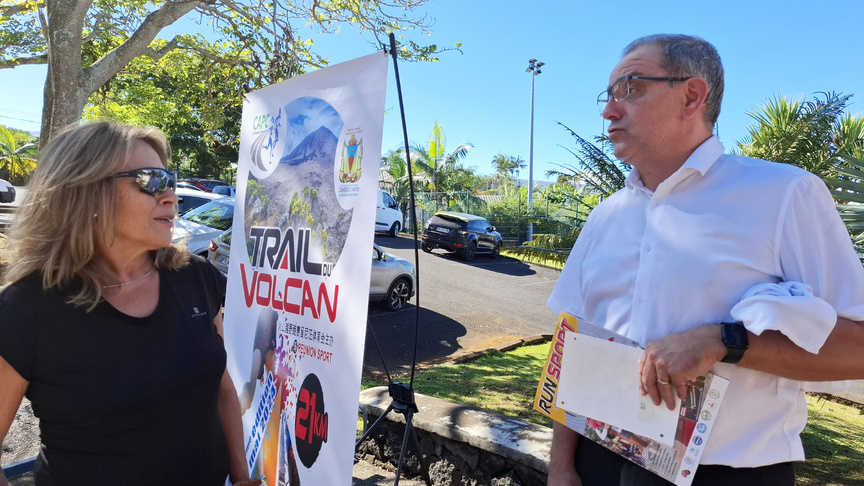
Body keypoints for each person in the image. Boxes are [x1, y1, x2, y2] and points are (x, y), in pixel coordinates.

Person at [546, 34, 864, 485]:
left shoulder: (784, 194)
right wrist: (561, 466)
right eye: (609, 94)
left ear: (693, 95)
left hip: (728, 474)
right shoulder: (605, 215)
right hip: (598, 461)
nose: (609, 111)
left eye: (630, 88)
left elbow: (859, 347)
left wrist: (723, 341)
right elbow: (574, 342)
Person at [0, 122, 257, 486]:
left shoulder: (196, 277)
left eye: (169, 180)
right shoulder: (27, 307)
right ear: (85, 192)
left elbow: (224, 390)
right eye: (150, 181)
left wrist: (242, 476)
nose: (170, 196)